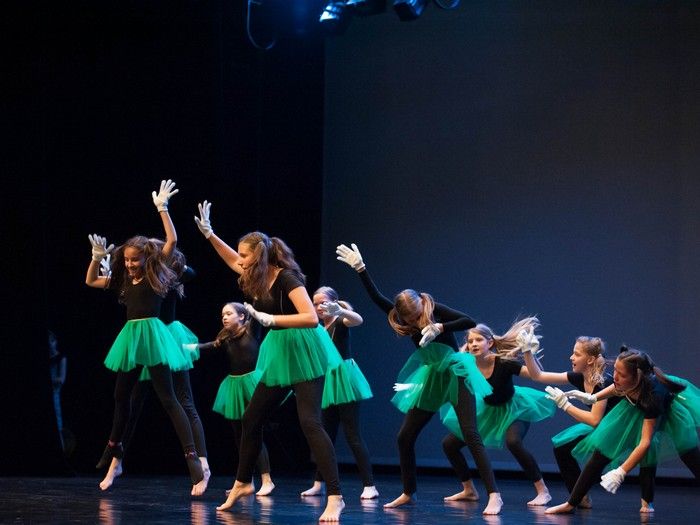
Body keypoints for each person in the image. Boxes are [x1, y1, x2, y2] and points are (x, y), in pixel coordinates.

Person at [195, 201, 344, 522]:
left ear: (260, 256)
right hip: (279, 352)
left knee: (310, 422)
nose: (240, 260)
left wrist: (271, 319)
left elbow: (310, 318)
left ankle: (335, 496)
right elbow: (231, 259)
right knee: (251, 418)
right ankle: (243, 483)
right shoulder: (255, 275)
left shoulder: (287, 278)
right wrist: (209, 234)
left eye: (245, 255)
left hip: (305, 350)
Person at [335, 243, 501, 514]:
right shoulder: (404, 318)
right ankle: (408, 492)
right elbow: (377, 298)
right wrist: (361, 269)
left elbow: (469, 321)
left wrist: (440, 327)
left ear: (421, 306)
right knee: (405, 436)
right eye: (408, 319)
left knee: (470, 433)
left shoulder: (435, 309)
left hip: (456, 372)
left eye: (415, 317)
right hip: (432, 375)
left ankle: (494, 495)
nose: (413, 322)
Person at [85, 180, 204, 491]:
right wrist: (97, 258)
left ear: (147, 260)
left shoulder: (154, 274)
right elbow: (91, 282)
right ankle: (114, 448)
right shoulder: (125, 280)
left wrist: (162, 209)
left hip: (153, 337)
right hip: (131, 340)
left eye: (134, 260)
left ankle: (193, 460)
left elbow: (172, 240)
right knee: (120, 396)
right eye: (126, 260)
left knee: (168, 398)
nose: (129, 264)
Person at [545, 346, 700, 515]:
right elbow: (616, 388)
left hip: (668, 414)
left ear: (637, 378)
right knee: (601, 452)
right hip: (634, 408)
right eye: (615, 370)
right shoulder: (625, 382)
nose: (615, 377)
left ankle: (647, 501)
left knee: (687, 453)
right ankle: (571, 503)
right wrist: (593, 397)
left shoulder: (653, 396)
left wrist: (621, 471)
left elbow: (645, 443)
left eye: (622, 374)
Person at [117, 245, 211, 496]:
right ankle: (117, 460)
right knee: (133, 401)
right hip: (149, 340)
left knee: (183, 401)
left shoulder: (165, 274)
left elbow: (190, 272)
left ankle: (202, 462)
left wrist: (170, 258)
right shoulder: (146, 277)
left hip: (167, 340)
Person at [439, 318, 555, 506]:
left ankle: (543, 491)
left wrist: (528, 353)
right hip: (488, 411)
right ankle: (469, 490)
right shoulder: (467, 365)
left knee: (513, 442)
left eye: (479, 340)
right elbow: (443, 378)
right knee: (449, 444)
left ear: (490, 343)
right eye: (470, 341)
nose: (474, 344)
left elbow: (535, 375)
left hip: (515, 408)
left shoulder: (503, 362)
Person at [519, 334, 619, 509]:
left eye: (577, 354)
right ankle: (580, 498)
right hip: (604, 427)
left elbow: (594, 420)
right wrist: (527, 352)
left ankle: (645, 501)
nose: (571, 357)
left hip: (618, 428)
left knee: (596, 464)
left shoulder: (602, 382)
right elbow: (538, 376)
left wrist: (565, 405)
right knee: (562, 448)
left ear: (590, 360)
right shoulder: (579, 377)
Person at [300, 286, 378, 500]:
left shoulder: (341, 322)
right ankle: (318, 483)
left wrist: (340, 310)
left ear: (334, 302)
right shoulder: (318, 328)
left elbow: (358, 319)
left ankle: (370, 485)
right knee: (326, 434)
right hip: (328, 383)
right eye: (315, 304)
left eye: (323, 302)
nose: (319, 307)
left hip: (345, 380)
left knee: (352, 435)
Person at [195, 302, 275, 496]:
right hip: (234, 386)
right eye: (223, 314)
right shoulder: (226, 337)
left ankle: (267, 480)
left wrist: (254, 298)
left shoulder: (252, 330)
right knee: (240, 436)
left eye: (229, 313)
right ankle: (245, 481)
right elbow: (211, 346)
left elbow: (257, 310)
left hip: (252, 384)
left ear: (242, 316)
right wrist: (192, 347)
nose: (224, 317)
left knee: (254, 432)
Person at [48, 330, 67, 452]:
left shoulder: (61, 358)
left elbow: (62, 379)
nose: (50, 344)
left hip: (56, 394)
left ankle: (63, 452)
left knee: (58, 423)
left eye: (52, 341)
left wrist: (51, 380)